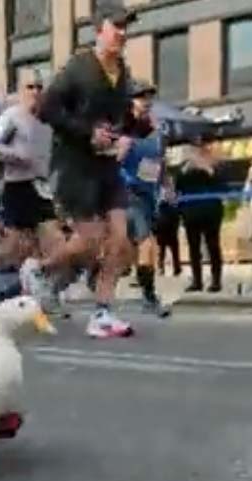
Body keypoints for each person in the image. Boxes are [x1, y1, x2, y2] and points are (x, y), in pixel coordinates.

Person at [27, 2, 138, 339]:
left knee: (119, 239)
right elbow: (45, 108)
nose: (122, 32)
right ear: (99, 28)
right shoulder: (79, 66)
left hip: (106, 165)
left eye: (125, 26)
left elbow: (120, 120)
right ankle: (40, 271)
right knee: (90, 242)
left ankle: (102, 313)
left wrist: (124, 138)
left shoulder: (123, 71)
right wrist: (87, 133)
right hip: (75, 166)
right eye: (116, 25)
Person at [0, 68, 66, 312]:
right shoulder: (12, 116)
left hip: (41, 188)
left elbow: (53, 158)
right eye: (30, 87)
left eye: (39, 87)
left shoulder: (47, 122)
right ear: (20, 91)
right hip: (17, 186)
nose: (35, 92)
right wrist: (17, 156)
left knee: (57, 244)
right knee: (14, 249)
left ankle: (41, 293)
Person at [120, 79, 171, 316]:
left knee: (133, 250)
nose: (146, 102)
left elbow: (160, 162)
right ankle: (149, 298)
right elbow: (108, 160)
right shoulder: (122, 128)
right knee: (147, 244)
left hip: (148, 195)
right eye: (141, 97)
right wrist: (120, 149)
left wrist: (167, 186)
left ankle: (90, 271)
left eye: (149, 98)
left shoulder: (157, 130)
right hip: (128, 193)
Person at [175, 137, 226, 292]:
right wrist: (185, 169)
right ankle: (197, 281)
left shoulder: (217, 165)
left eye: (201, 146)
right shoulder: (185, 168)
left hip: (211, 211)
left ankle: (216, 280)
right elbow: (178, 187)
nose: (199, 150)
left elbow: (222, 187)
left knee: (213, 246)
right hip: (191, 212)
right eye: (195, 147)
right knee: (193, 247)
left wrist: (208, 169)